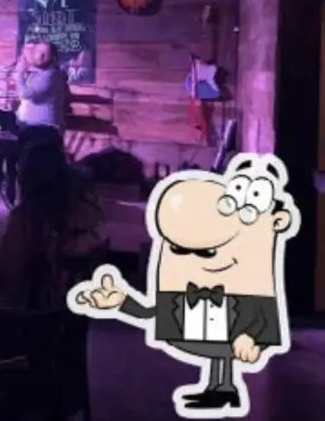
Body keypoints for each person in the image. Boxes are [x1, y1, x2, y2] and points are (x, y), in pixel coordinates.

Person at [72, 153, 298, 414]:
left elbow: (260, 316)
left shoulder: (248, 283)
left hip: (231, 324)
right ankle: (220, 389)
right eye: (180, 250)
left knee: (221, 348)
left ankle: (222, 388)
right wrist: (122, 302)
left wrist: (253, 339)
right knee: (217, 349)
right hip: (203, 321)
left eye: (206, 252)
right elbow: (153, 314)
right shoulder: (186, 290)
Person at [0, 140, 104, 310]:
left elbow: (3, 271)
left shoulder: (27, 217)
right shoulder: (85, 211)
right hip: (66, 317)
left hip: (23, 316)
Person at [0, 41, 69, 201]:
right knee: (5, 129)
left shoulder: (51, 75)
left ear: (53, 57)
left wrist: (19, 74)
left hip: (45, 129)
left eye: (45, 53)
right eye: (38, 52)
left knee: (8, 137)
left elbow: (26, 94)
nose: (41, 55)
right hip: (29, 126)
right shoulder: (37, 74)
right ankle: (1, 178)